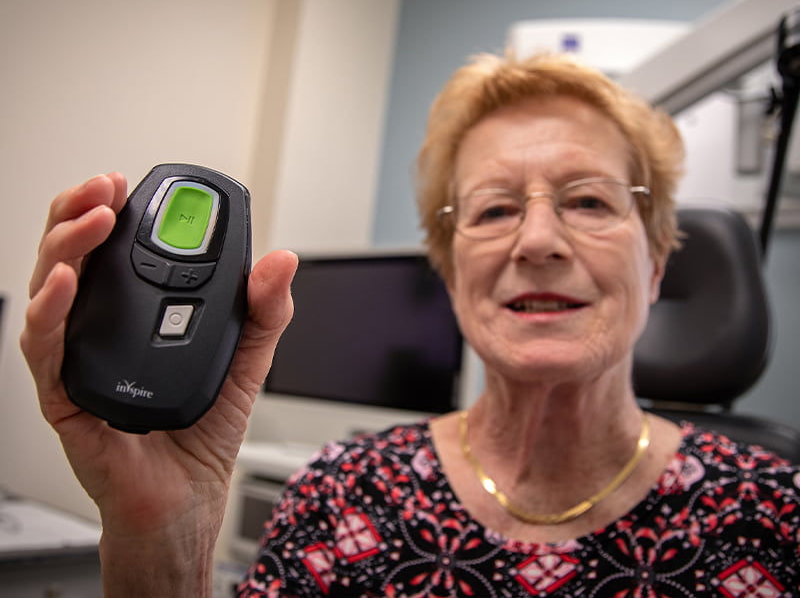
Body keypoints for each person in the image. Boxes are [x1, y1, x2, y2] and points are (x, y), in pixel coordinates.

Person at [20, 52, 799, 597]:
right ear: (451, 269)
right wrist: (162, 531)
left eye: (590, 201)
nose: (535, 242)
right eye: (494, 210)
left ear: (658, 261)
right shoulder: (340, 496)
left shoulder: (777, 519)